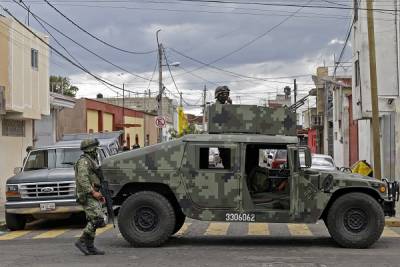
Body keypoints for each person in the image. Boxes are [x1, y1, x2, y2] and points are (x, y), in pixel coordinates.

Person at [74, 138, 106, 256]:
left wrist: (98, 194)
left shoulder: (90, 160)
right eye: (95, 148)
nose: (96, 150)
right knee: (97, 219)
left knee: (94, 219)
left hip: (92, 194)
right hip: (87, 195)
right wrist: (93, 193)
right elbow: (82, 180)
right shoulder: (84, 162)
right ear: (90, 149)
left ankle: (90, 247)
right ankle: (81, 241)